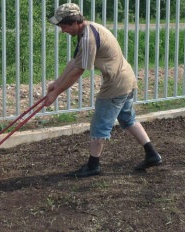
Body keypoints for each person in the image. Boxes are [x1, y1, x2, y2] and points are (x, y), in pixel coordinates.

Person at [45, 3, 162, 177]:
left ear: (74, 22)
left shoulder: (88, 38)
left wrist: (56, 93)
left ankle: (93, 165)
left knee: (99, 125)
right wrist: (57, 82)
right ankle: (152, 154)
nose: (63, 31)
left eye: (64, 26)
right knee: (128, 119)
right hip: (126, 79)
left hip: (116, 84)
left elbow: (79, 71)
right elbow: (75, 62)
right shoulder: (89, 29)